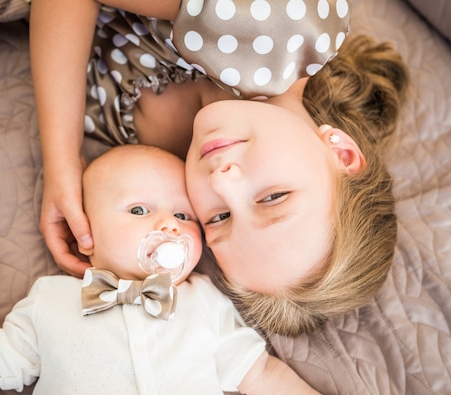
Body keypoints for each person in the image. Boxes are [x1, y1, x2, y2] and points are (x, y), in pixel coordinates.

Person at [29, 0, 409, 335]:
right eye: (273, 197)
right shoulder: (279, 27)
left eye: (220, 218)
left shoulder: (154, 160)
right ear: (341, 154)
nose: (221, 182)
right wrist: (61, 154)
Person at [0, 144, 368, 395]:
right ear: (87, 237)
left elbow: (260, 374)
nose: (170, 225)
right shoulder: (52, 301)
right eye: (140, 211)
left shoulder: (203, 301)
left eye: (183, 215)